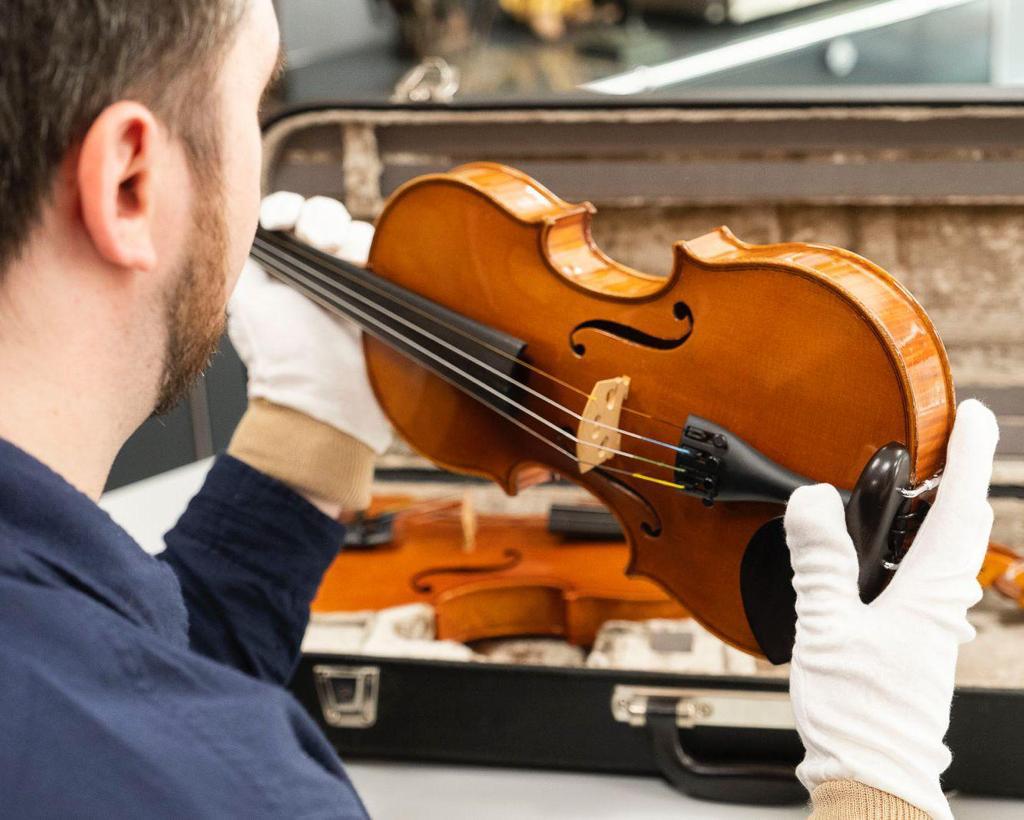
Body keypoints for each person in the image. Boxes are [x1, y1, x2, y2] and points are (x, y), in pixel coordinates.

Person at [0, 1, 999, 818]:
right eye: (259, 104)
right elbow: (159, 731)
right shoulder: (230, 791)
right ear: (131, 182)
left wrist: (304, 442)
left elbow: (143, 669)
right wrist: (879, 784)